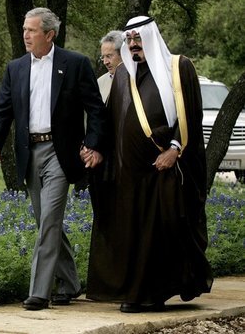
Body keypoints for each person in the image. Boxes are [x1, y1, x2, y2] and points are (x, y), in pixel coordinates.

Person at [83, 16, 213, 313]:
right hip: (131, 174)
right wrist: (97, 150)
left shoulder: (179, 68)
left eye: (137, 39)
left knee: (165, 229)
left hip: (165, 168)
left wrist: (174, 149)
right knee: (135, 233)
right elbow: (110, 118)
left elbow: (190, 114)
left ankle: (157, 291)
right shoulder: (124, 76)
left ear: (150, 38)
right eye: (129, 41)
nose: (133, 45)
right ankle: (136, 292)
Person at [0, 7, 106, 311]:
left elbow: (96, 109)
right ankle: (70, 282)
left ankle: (39, 291)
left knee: (50, 219)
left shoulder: (75, 64)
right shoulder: (15, 68)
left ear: (49, 35)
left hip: (61, 153)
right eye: (25, 29)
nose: (25, 35)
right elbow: (2, 112)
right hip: (30, 152)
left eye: (32, 30)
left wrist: (93, 144)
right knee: (45, 222)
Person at [97, 30, 123, 103]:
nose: (105, 62)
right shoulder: (100, 83)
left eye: (109, 56)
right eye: (103, 57)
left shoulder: (136, 78)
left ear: (122, 53)